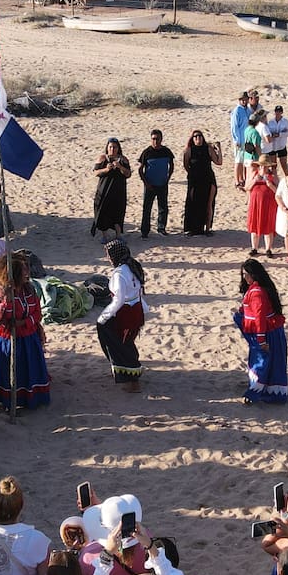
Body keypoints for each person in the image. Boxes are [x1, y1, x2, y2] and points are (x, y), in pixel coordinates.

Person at [0, 254, 50, 411]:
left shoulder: (30, 289)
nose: (27, 273)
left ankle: (29, 399)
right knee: (9, 372)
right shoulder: (2, 292)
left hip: (28, 338)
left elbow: (37, 313)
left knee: (28, 370)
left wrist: (24, 322)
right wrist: (6, 302)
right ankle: (6, 401)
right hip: (9, 341)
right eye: (23, 270)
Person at [96, 240, 148, 392]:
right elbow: (138, 292)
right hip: (136, 311)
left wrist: (104, 316)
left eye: (108, 255)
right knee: (125, 343)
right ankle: (119, 370)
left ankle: (132, 380)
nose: (108, 258)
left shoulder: (119, 274)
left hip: (125, 314)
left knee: (118, 342)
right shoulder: (133, 266)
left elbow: (119, 299)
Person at [235, 258, 287, 404]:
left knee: (262, 362)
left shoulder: (257, 292)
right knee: (268, 361)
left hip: (266, 332)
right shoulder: (256, 288)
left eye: (247, 274)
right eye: (243, 274)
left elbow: (259, 317)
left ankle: (255, 393)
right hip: (269, 331)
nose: (245, 278)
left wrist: (261, 340)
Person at [181, 130, 220, 237]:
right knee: (192, 202)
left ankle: (207, 228)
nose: (198, 138)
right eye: (195, 136)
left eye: (200, 136)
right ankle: (192, 228)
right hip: (195, 179)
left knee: (208, 203)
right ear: (192, 139)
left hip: (208, 178)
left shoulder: (208, 148)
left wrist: (219, 149)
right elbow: (186, 165)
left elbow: (219, 162)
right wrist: (193, 173)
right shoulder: (189, 150)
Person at [91, 138, 130, 243]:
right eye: (110, 147)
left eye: (115, 147)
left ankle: (118, 235)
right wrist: (106, 169)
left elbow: (128, 174)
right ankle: (104, 236)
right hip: (104, 190)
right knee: (103, 211)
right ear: (107, 148)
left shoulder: (123, 159)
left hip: (118, 191)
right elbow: (95, 172)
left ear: (118, 148)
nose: (112, 149)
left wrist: (120, 167)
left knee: (118, 212)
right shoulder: (102, 158)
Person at [137, 129, 175, 238]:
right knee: (147, 208)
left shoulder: (166, 151)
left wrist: (168, 177)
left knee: (163, 207)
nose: (155, 141)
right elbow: (140, 169)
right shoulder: (146, 152)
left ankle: (161, 227)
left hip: (162, 184)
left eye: (157, 139)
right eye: (153, 139)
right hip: (150, 185)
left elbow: (171, 165)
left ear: (161, 139)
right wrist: (145, 182)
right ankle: (145, 231)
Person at [245, 155, 280, 257]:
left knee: (268, 226)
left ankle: (268, 249)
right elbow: (247, 187)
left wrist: (271, 185)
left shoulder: (273, 177)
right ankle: (254, 248)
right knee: (255, 225)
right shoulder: (254, 174)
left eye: (266, 166)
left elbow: (279, 191)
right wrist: (255, 180)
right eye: (262, 166)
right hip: (255, 203)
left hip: (269, 203)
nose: (264, 168)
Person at [230, 91, 251, 189]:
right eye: (242, 99)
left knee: (245, 160)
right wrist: (236, 139)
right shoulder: (237, 110)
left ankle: (243, 179)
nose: (244, 101)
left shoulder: (248, 110)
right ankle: (237, 180)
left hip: (247, 139)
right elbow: (234, 126)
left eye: (245, 99)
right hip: (240, 139)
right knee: (238, 160)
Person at [266, 106, 288, 175]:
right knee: (273, 164)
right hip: (273, 146)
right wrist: (273, 135)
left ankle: (287, 177)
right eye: (276, 111)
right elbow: (268, 132)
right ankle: (275, 178)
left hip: (281, 145)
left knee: (283, 163)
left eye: (279, 111)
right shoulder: (271, 122)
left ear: (282, 112)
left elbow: (287, 133)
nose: (278, 113)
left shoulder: (285, 122)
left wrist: (279, 134)